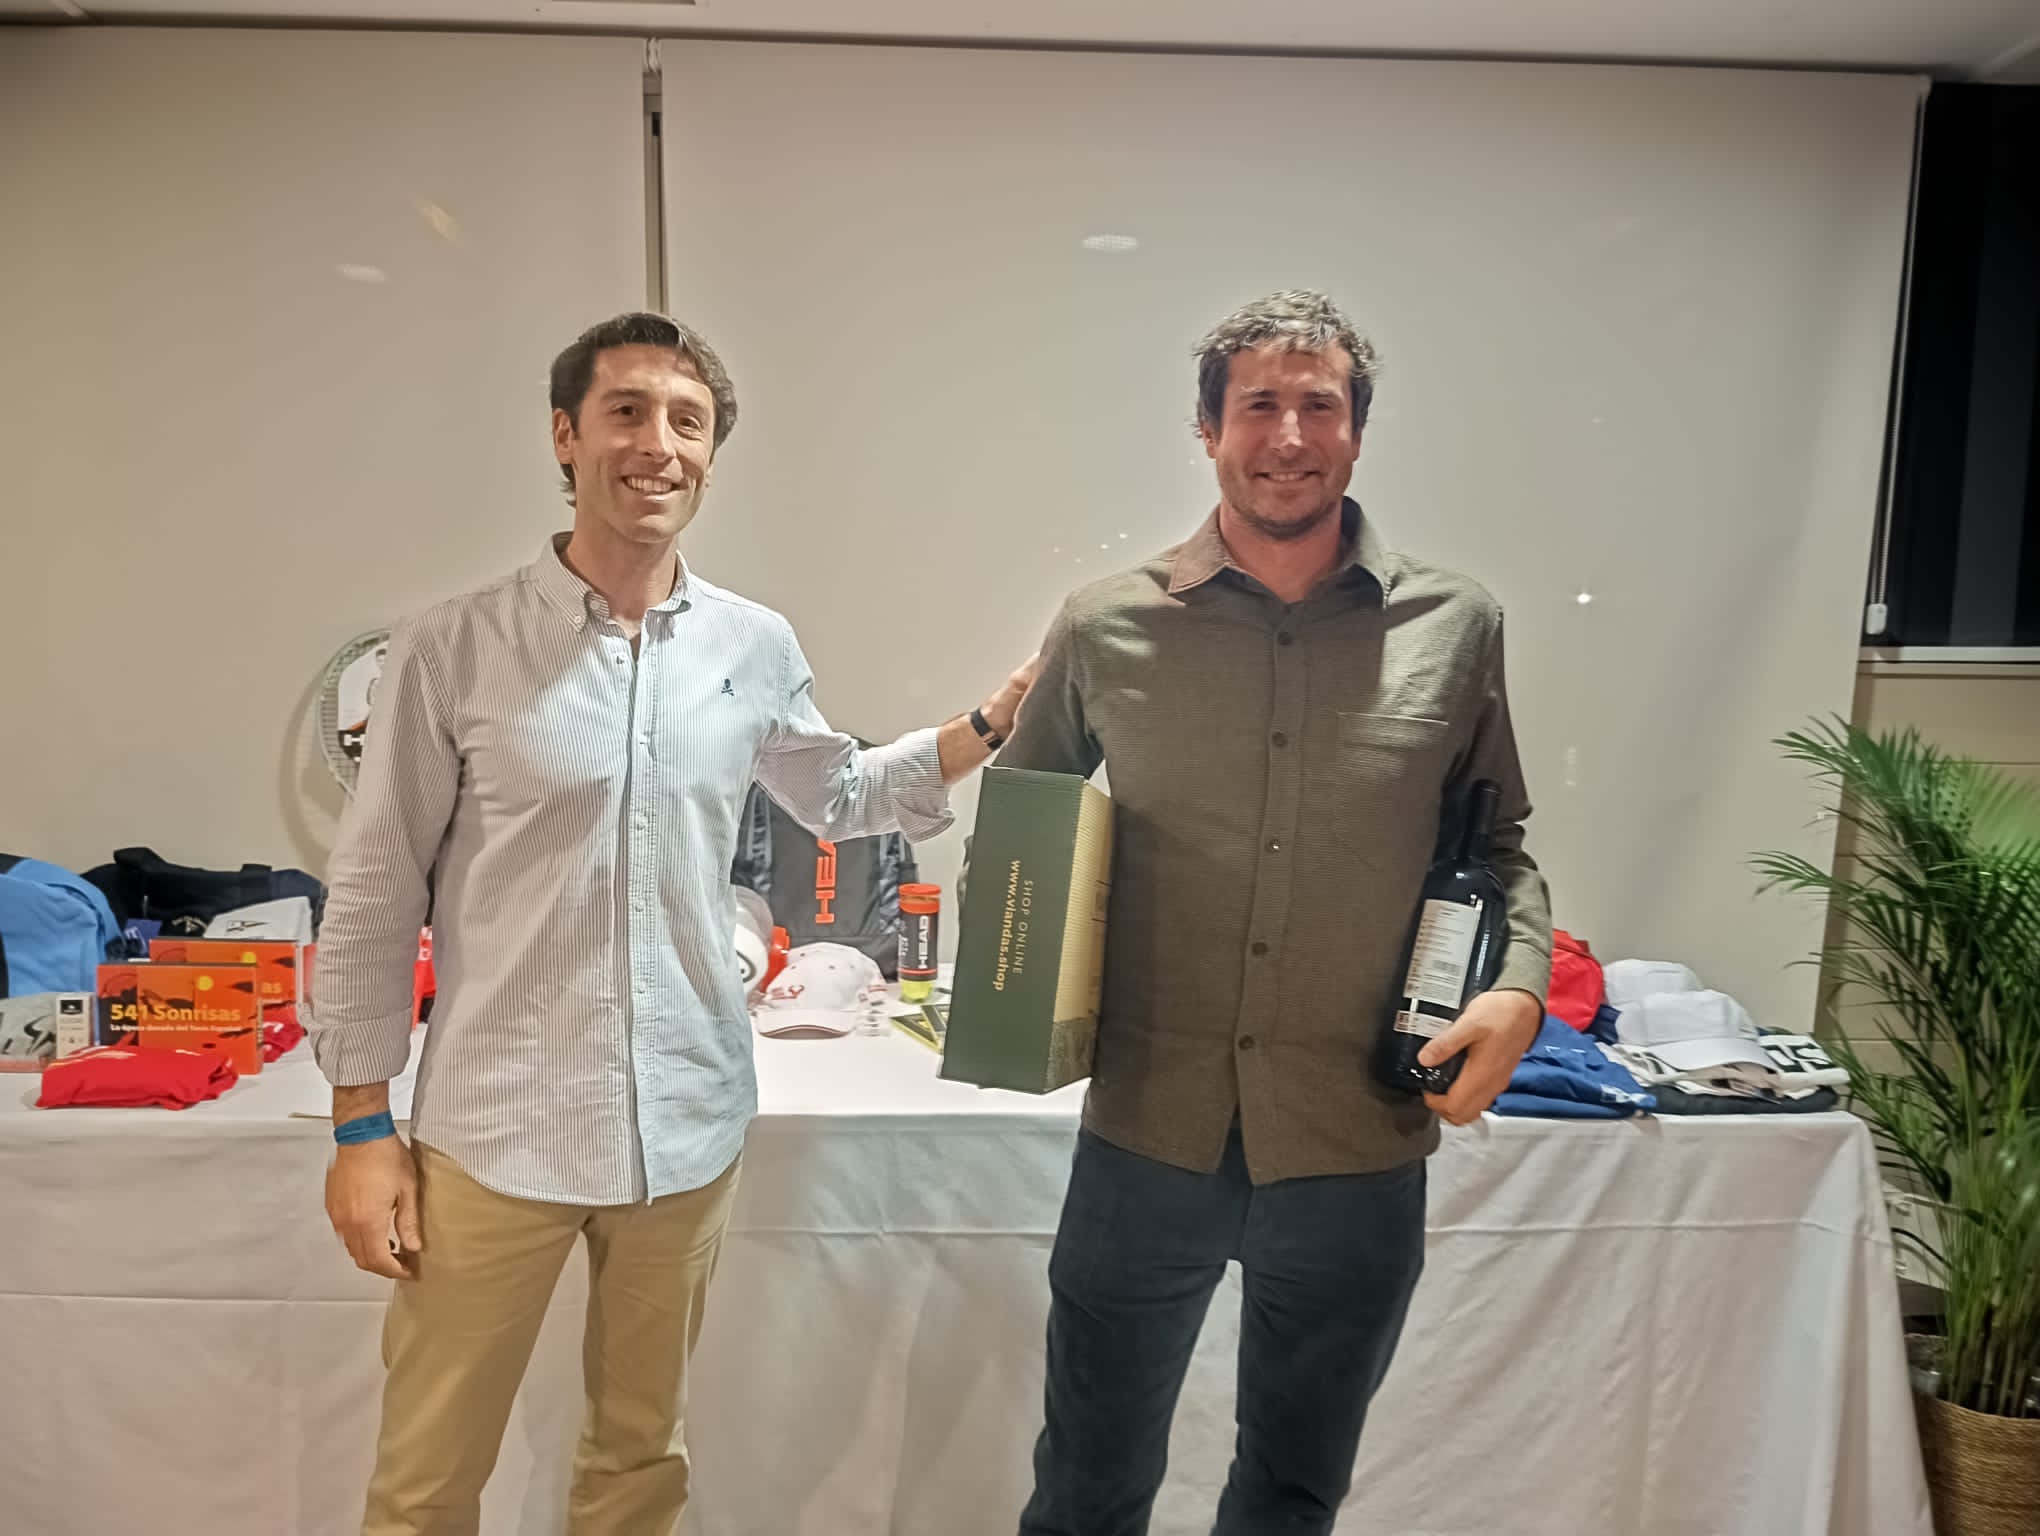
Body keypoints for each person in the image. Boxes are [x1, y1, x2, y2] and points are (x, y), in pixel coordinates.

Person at [311, 312, 1034, 1536]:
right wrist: (360, 1126)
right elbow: (377, 892)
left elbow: (840, 795)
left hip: (685, 1129)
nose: (659, 445)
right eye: (627, 412)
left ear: (710, 454)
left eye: (687, 422)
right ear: (565, 435)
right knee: (428, 1477)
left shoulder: (753, 645)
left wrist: (988, 724)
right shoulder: (453, 646)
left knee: (642, 1461)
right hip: (496, 1134)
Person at [999, 290, 1553, 1535]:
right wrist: (1014, 1002)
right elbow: (1027, 838)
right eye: (1259, 405)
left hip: (1355, 1143)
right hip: (1147, 1135)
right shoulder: (1106, 624)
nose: (1290, 436)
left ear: (1358, 431)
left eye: (1320, 406)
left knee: (1292, 1496)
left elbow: (1498, 843)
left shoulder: (1457, 625)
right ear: (1208, 429)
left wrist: (1518, 987)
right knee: (1085, 1489)